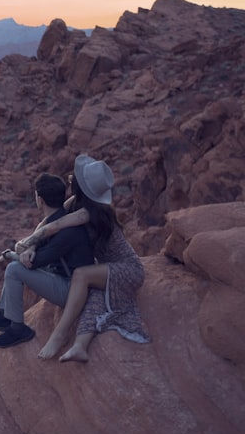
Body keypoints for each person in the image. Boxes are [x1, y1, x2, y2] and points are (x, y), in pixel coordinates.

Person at [18, 154, 149, 362]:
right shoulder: (76, 203)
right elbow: (46, 222)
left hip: (127, 270)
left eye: (74, 178)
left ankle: (59, 336)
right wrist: (32, 245)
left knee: (81, 275)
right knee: (92, 305)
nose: (70, 178)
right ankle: (79, 347)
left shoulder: (88, 212)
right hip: (106, 269)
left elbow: (55, 226)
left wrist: (25, 243)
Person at [0, 172, 94, 348]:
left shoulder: (65, 231)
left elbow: (33, 262)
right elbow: (37, 244)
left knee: (14, 269)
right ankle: (4, 314)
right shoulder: (58, 219)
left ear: (40, 199)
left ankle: (18, 329)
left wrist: (8, 255)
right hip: (66, 279)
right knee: (15, 265)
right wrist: (28, 248)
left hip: (72, 291)